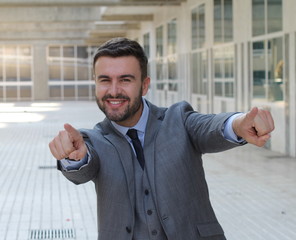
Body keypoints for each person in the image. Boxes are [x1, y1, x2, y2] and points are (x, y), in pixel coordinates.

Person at [49, 38, 274, 240]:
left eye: (125, 79)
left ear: (145, 85)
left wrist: (239, 123)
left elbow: (210, 126)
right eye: (105, 80)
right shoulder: (93, 139)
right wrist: (74, 158)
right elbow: (83, 169)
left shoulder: (178, 119)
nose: (114, 91)